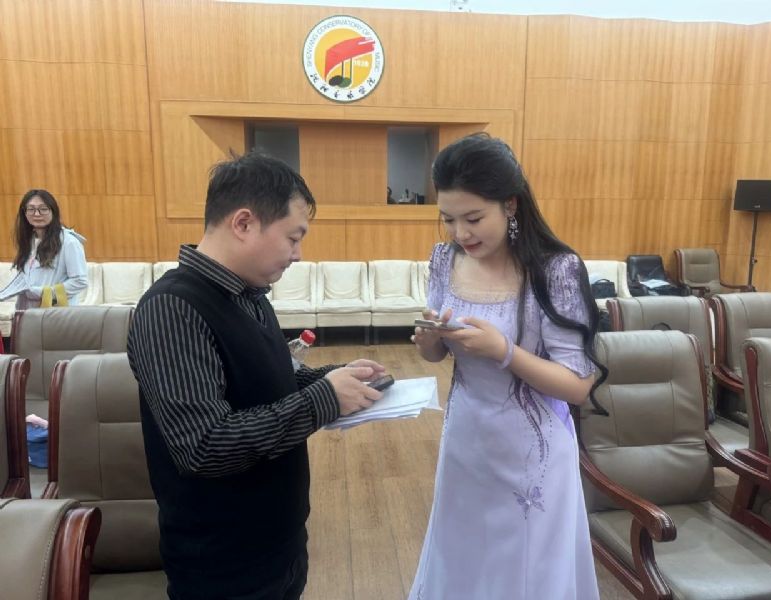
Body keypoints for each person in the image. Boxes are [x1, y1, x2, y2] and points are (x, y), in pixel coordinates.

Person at [126, 152, 386, 600]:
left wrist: (336, 379)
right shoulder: (172, 308)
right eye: (293, 237)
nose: (298, 255)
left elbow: (266, 382)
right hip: (223, 565)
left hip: (279, 544)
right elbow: (203, 445)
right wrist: (324, 399)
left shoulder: (250, 295)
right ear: (244, 223)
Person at [408, 134, 608, 599]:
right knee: (463, 560)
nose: (461, 233)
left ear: (510, 204)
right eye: (449, 219)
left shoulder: (554, 269)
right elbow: (437, 355)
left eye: (474, 218)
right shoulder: (444, 260)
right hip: (466, 443)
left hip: (532, 457)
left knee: (526, 573)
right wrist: (430, 341)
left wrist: (504, 351)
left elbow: (577, 387)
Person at [0, 189, 88, 310]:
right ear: (24, 213)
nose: (37, 214)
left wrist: (43, 293)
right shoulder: (29, 240)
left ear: (53, 211)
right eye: (31, 209)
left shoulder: (69, 242)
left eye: (43, 209)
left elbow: (80, 281)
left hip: (55, 313)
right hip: (29, 312)